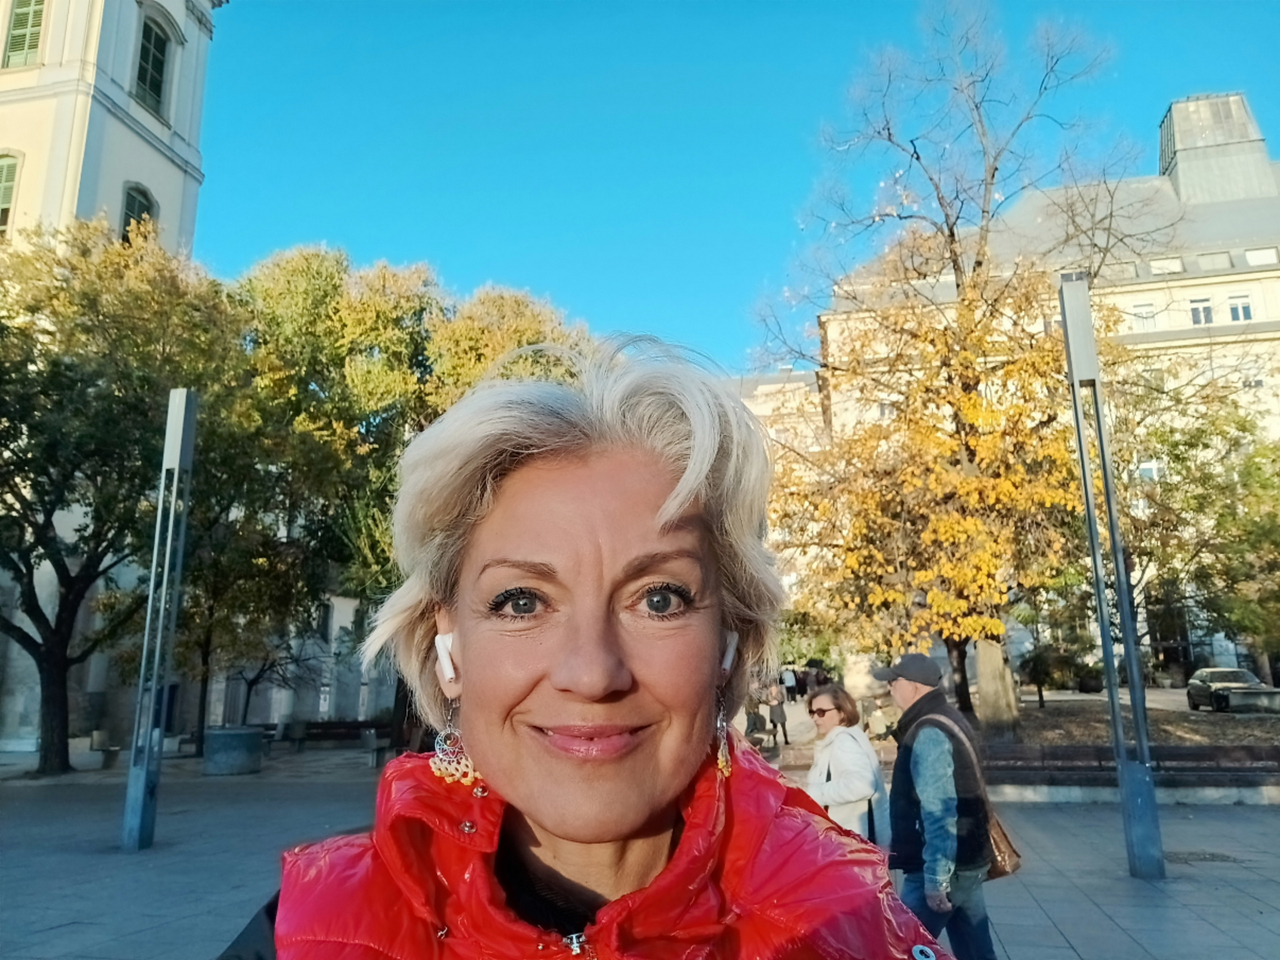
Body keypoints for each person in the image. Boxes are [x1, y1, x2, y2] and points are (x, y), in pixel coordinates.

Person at [219, 341, 939, 960]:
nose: (592, 673)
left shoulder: (852, 931)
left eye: (659, 599)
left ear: (730, 643)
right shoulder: (306, 930)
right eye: (521, 602)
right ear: (448, 645)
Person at [873, 653, 997, 960]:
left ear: (913, 686)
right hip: (965, 860)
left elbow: (939, 810)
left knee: (899, 949)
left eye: (893, 682)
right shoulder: (947, 717)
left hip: (943, 867)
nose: (890, 688)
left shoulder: (928, 731)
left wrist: (936, 879)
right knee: (975, 950)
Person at [804, 685, 891, 851]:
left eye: (821, 712)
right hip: (850, 840)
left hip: (853, 842)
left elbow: (862, 785)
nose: (815, 718)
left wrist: (814, 792)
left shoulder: (843, 742)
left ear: (842, 712)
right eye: (812, 712)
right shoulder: (847, 737)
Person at [767, 680, 789, 746]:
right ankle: (774, 740)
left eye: (775, 688)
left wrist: (777, 701)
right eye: (772, 688)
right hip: (773, 713)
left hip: (780, 712)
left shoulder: (780, 693)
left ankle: (786, 740)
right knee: (774, 728)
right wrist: (769, 703)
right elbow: (766, 701)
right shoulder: (769, 694)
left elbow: (782, 700)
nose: (774, 689)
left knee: (783, 727)